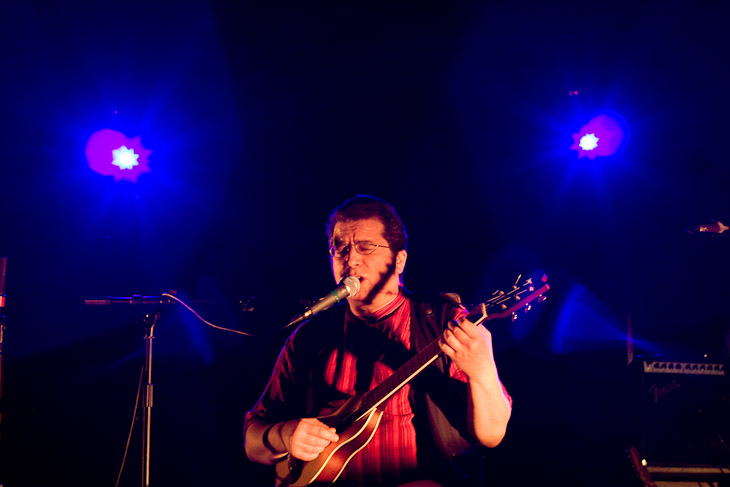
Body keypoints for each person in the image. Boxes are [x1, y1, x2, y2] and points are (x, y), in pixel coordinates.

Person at [244, 195, 512, 487]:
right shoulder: (310, 337)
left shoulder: (444, 321)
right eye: (340, 248)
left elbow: (492, 435)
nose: (351, 259)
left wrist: (484, 372)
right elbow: (251, 439)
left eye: (365, 246)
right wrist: (286, 435)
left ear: (399, 260)